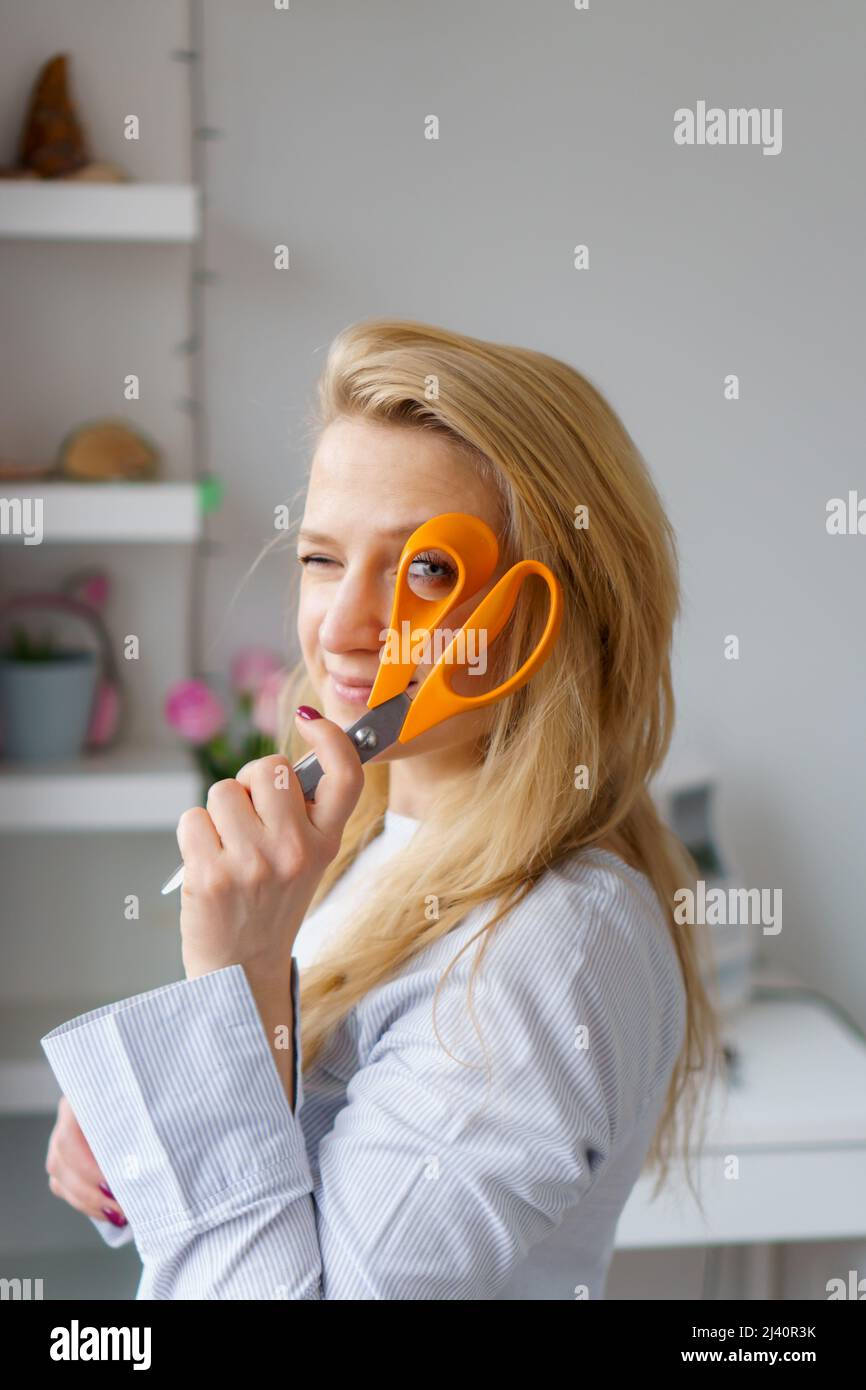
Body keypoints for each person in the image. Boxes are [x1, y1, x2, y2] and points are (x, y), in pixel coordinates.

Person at [42, 318, 722, 1300]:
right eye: (322, 558)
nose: (344, 625)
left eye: (426, 569)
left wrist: (227, 986)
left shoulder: (544, 947)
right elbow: (282, 1179)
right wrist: (160, 1106)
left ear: (545, 611)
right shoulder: (366, 843)